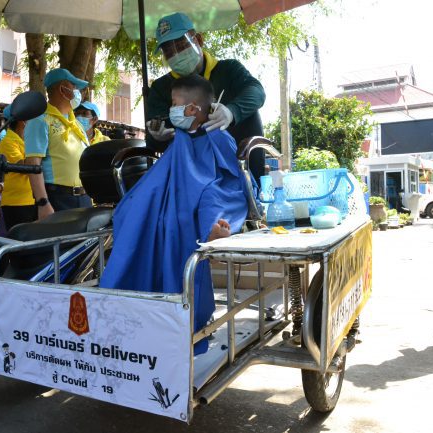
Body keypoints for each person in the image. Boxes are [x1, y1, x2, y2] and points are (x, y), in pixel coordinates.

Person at [100, 75, 249, 354]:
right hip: (173, 191)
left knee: (208, 200)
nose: (171, 110)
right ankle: (131, 302)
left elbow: (231, 179)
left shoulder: (218, 137)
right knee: (134, 208)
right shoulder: (179, 138)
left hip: (208, 188)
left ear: (191, 109)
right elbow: (165, 174)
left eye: (174, 104)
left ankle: (213, 230)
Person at [145, 12, 265, 153]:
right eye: (169, 52)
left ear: (199, 40)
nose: (176, 55)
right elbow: (153, 138)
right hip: (189, 163)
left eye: (181, 46)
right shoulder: (160, 88)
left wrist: (232, 111)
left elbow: (257, 92)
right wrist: (158, 137)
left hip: (238, 158)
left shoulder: (229, 69)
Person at [24, 68, 91, 218]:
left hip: (83, 198)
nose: (78, 92)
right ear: (63, 89)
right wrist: (43, 202)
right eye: (74, 87)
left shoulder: (76, 124)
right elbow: (33, 163)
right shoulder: (40, 121)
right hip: (58, 199)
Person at [0, 104, 36, 230]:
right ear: (22, 121)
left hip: (30, 200)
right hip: (17, 203)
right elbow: (22, 166)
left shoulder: (24, 141)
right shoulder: (8, 142)